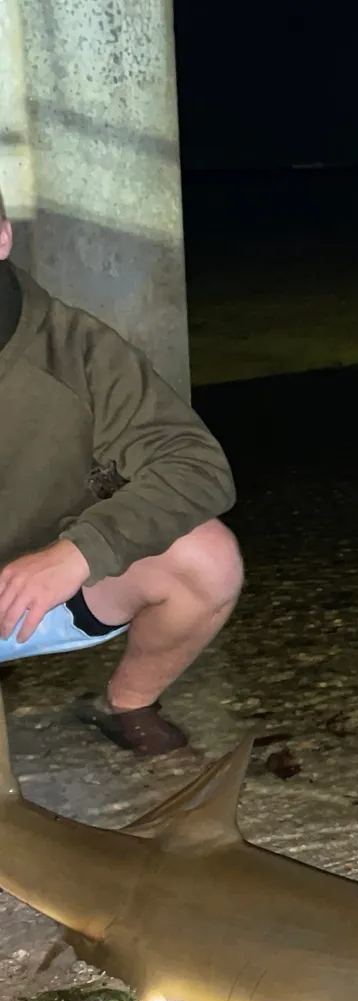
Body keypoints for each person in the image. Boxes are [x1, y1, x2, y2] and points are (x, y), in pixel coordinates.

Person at [0, 190, 242, 756]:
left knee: (206, 560)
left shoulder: (77, 350)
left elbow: (198, 466)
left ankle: (125, 704)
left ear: (2, 235)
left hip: (34, 594)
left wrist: (79, 551)